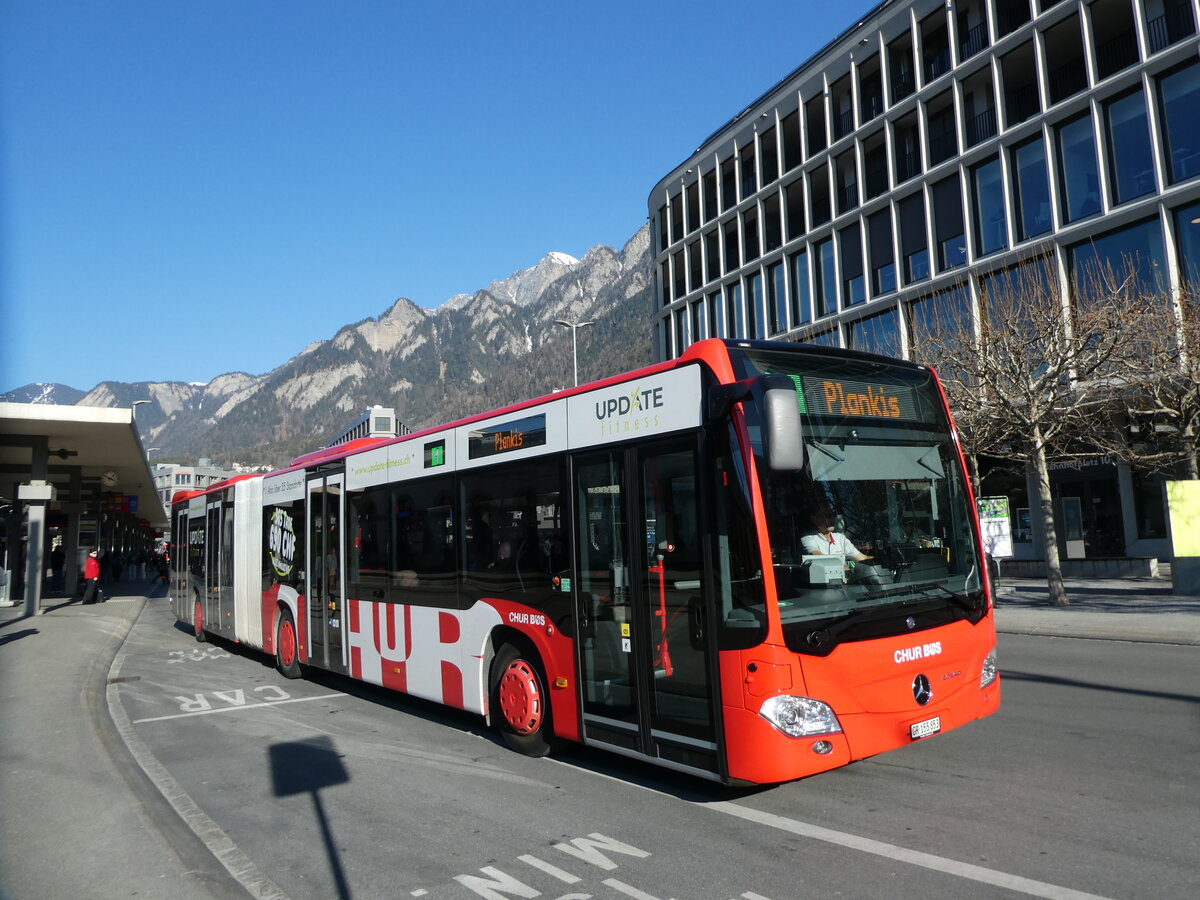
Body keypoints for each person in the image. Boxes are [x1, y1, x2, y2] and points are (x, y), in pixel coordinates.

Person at [801, 507, 883, 586]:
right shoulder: (808, 538)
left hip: (843, 588)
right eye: (827, 516)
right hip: (821, 588)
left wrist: (879, 561)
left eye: (833, 515)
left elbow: (861, 558)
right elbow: (818, 556)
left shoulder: (840, 538)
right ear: (814, 519)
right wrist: (843, 568)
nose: (832, 519)